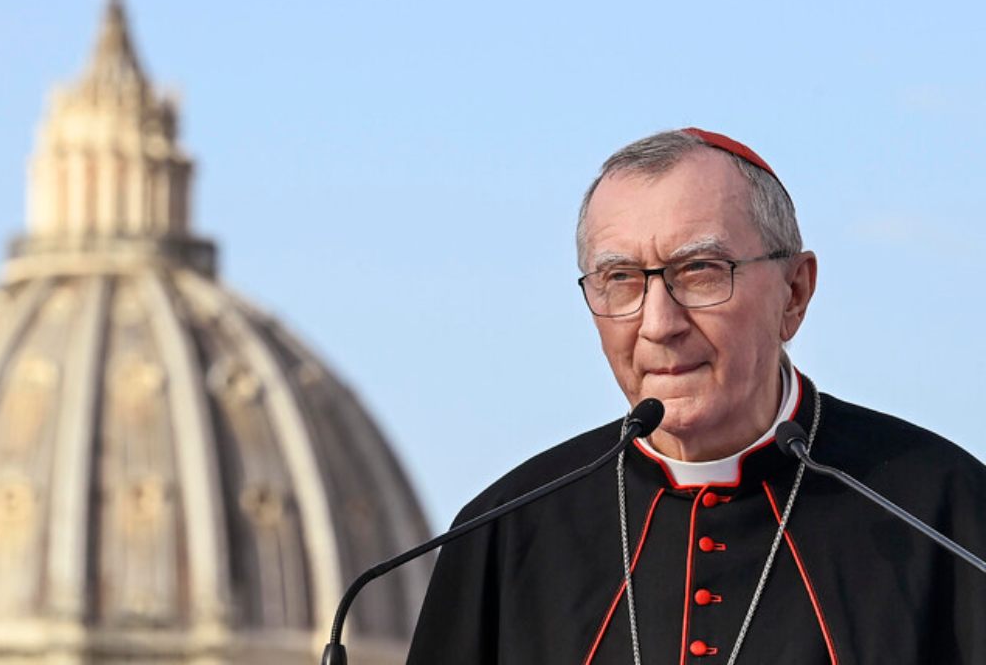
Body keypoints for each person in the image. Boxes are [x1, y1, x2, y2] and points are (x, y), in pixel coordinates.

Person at [406, 128, 986, 664]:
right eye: (621, 279)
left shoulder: (943, 513)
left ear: (794, 294)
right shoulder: (501, 534)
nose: (659, 323)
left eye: (701, 271)